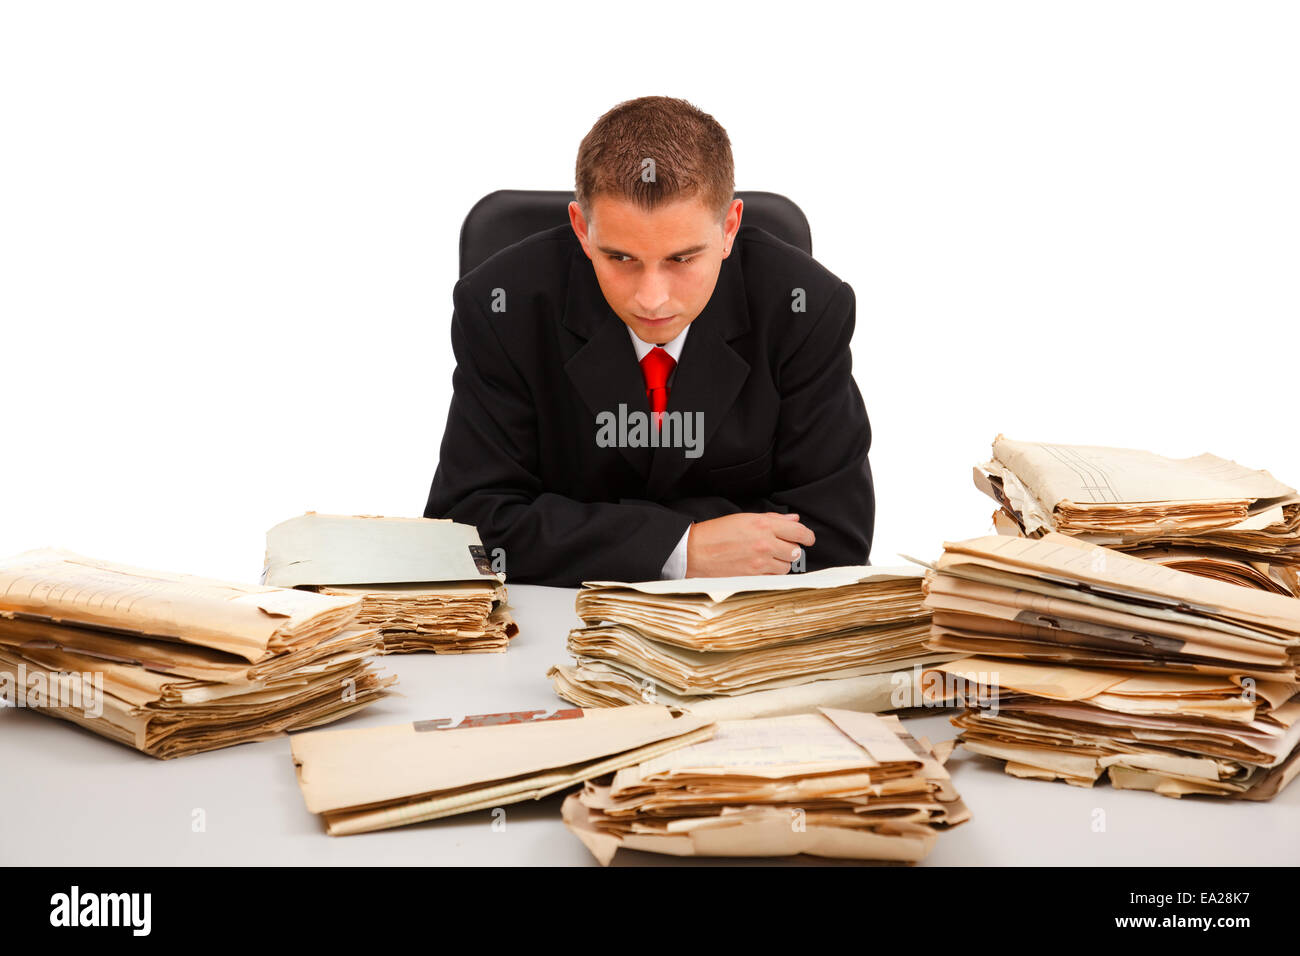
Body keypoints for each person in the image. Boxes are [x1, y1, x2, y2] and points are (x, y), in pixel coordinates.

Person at [424, 96, 874, 586]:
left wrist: (578, 527)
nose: (652, 299)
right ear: (582, 230)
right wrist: (682, 547)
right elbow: (466, 532)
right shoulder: (501, 307)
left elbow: (835, 536)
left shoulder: (806, 307)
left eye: (682, 259)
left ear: (728, 229)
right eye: (621, 258)